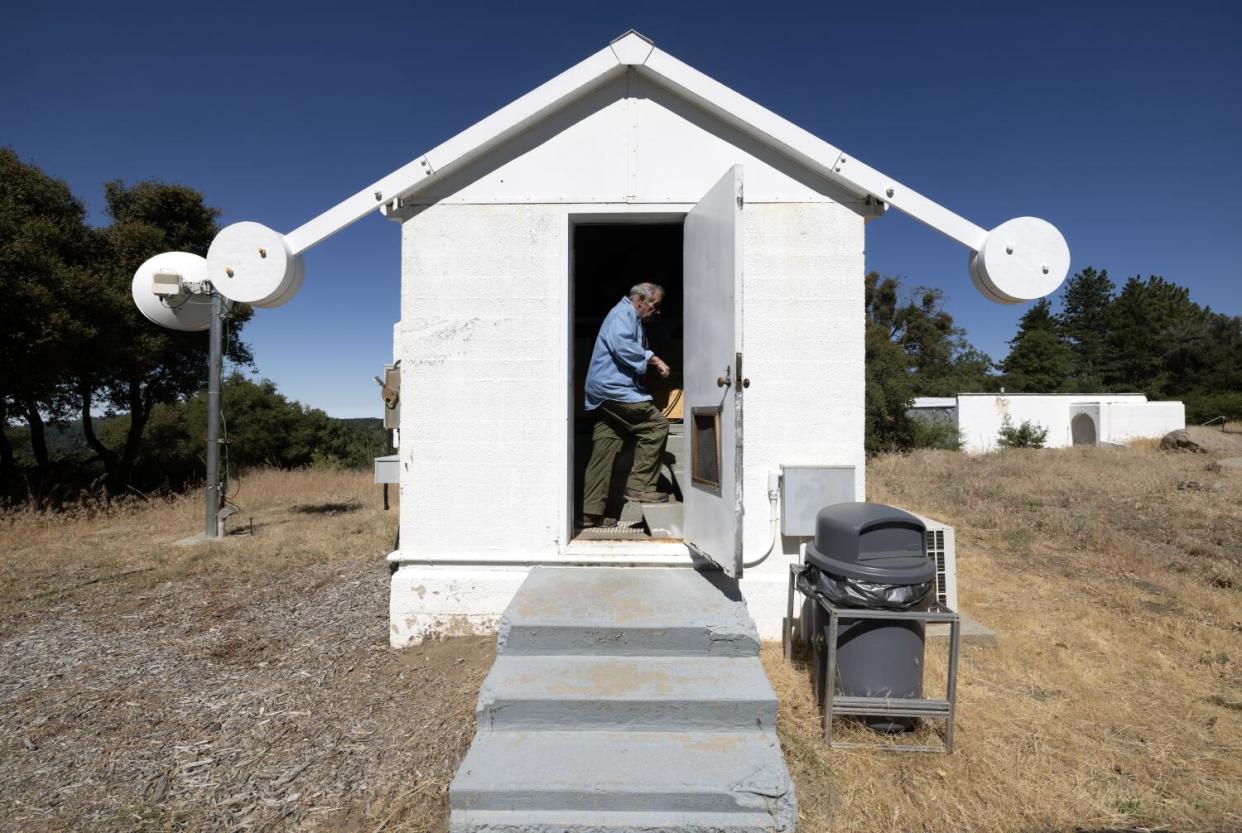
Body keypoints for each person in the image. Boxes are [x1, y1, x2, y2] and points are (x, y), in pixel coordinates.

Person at [580, 282, 672, 527]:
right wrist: (652, 358)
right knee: (656, 427)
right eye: (656, 305)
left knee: (604, 448)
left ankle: (591, 513)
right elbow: (622, 345)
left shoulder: (627, 316)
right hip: (614, 389)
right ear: (640, 300)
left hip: (604, 393)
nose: (658, 311)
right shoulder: (624, 313)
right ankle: (640, 486)